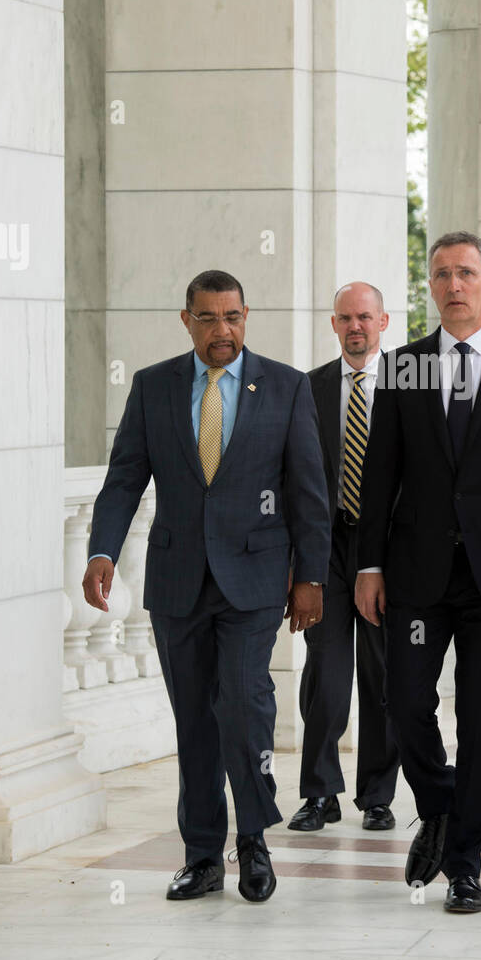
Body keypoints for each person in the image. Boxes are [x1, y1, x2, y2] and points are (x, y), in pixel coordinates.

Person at [83, 270, 330, 903]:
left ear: (246, 316)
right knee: (193, 719)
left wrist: (310, 578)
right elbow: (123, 480)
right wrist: (103, 549)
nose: (224, 331)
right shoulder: (152, 386)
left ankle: (253, 840)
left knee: (244, 709)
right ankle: (201, 855)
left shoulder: (285, 386)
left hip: (254, 580)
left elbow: (308, 494)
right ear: (186, 319)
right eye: (210, 319)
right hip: (176, 582)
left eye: (234, 317)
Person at [355, 231, 481, 914]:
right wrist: (368, 564)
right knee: (405, 701)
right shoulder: (401, 367)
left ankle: (465, 862)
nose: (452, 284)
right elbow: (377, 475)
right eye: (440, 274)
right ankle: (438, 806)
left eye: (465, 273)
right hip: (416, 574)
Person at [289, 282, 400, 832]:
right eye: (345, 319)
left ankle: (377, 796)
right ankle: (319, 792)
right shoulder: (307, 389)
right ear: (333, 325)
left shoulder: (410, 384)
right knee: (327, 675)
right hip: (326, 547)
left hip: (387, 550)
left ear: (384, 322)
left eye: (365, 317)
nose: (355, 327)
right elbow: (293, 478)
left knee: (383, 677)